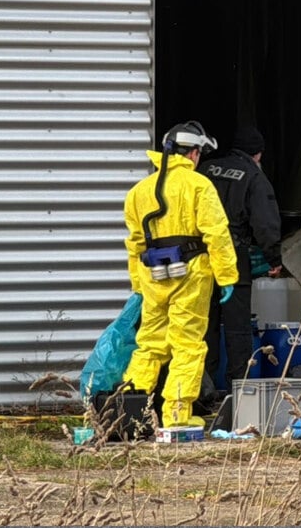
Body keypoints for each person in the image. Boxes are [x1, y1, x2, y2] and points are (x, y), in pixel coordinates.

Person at [122, 121, 239, 428]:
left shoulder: (138, 192)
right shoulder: (199, 185)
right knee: (187, 344)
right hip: (190, 274)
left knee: (149, 344)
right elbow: (216, 233)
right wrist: (227, 276)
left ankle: (130, 413)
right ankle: (177, 415)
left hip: (152, 276)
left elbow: (135, 244)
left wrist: (138, 285)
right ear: (194, 153)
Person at [199, 125, 283, 390]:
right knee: (237, 326)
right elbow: (265, 224)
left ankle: (201, 389)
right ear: (258, 154)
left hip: (199, 254)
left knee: (203, 324)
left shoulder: (204, 169)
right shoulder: (254, 177)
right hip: (233, 256)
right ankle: (238, 390)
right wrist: (273, 258)